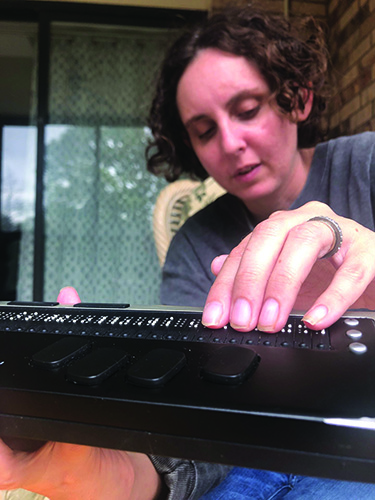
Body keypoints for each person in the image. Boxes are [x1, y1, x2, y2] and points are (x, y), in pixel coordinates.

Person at [0, 4, 375, 500]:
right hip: (244, 462)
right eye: (204, 130)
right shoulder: (196, 244)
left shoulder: (366, 164)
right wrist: (91, 465)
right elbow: (195, 450)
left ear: (297, 99)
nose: (232, 142)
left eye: (247, 110)